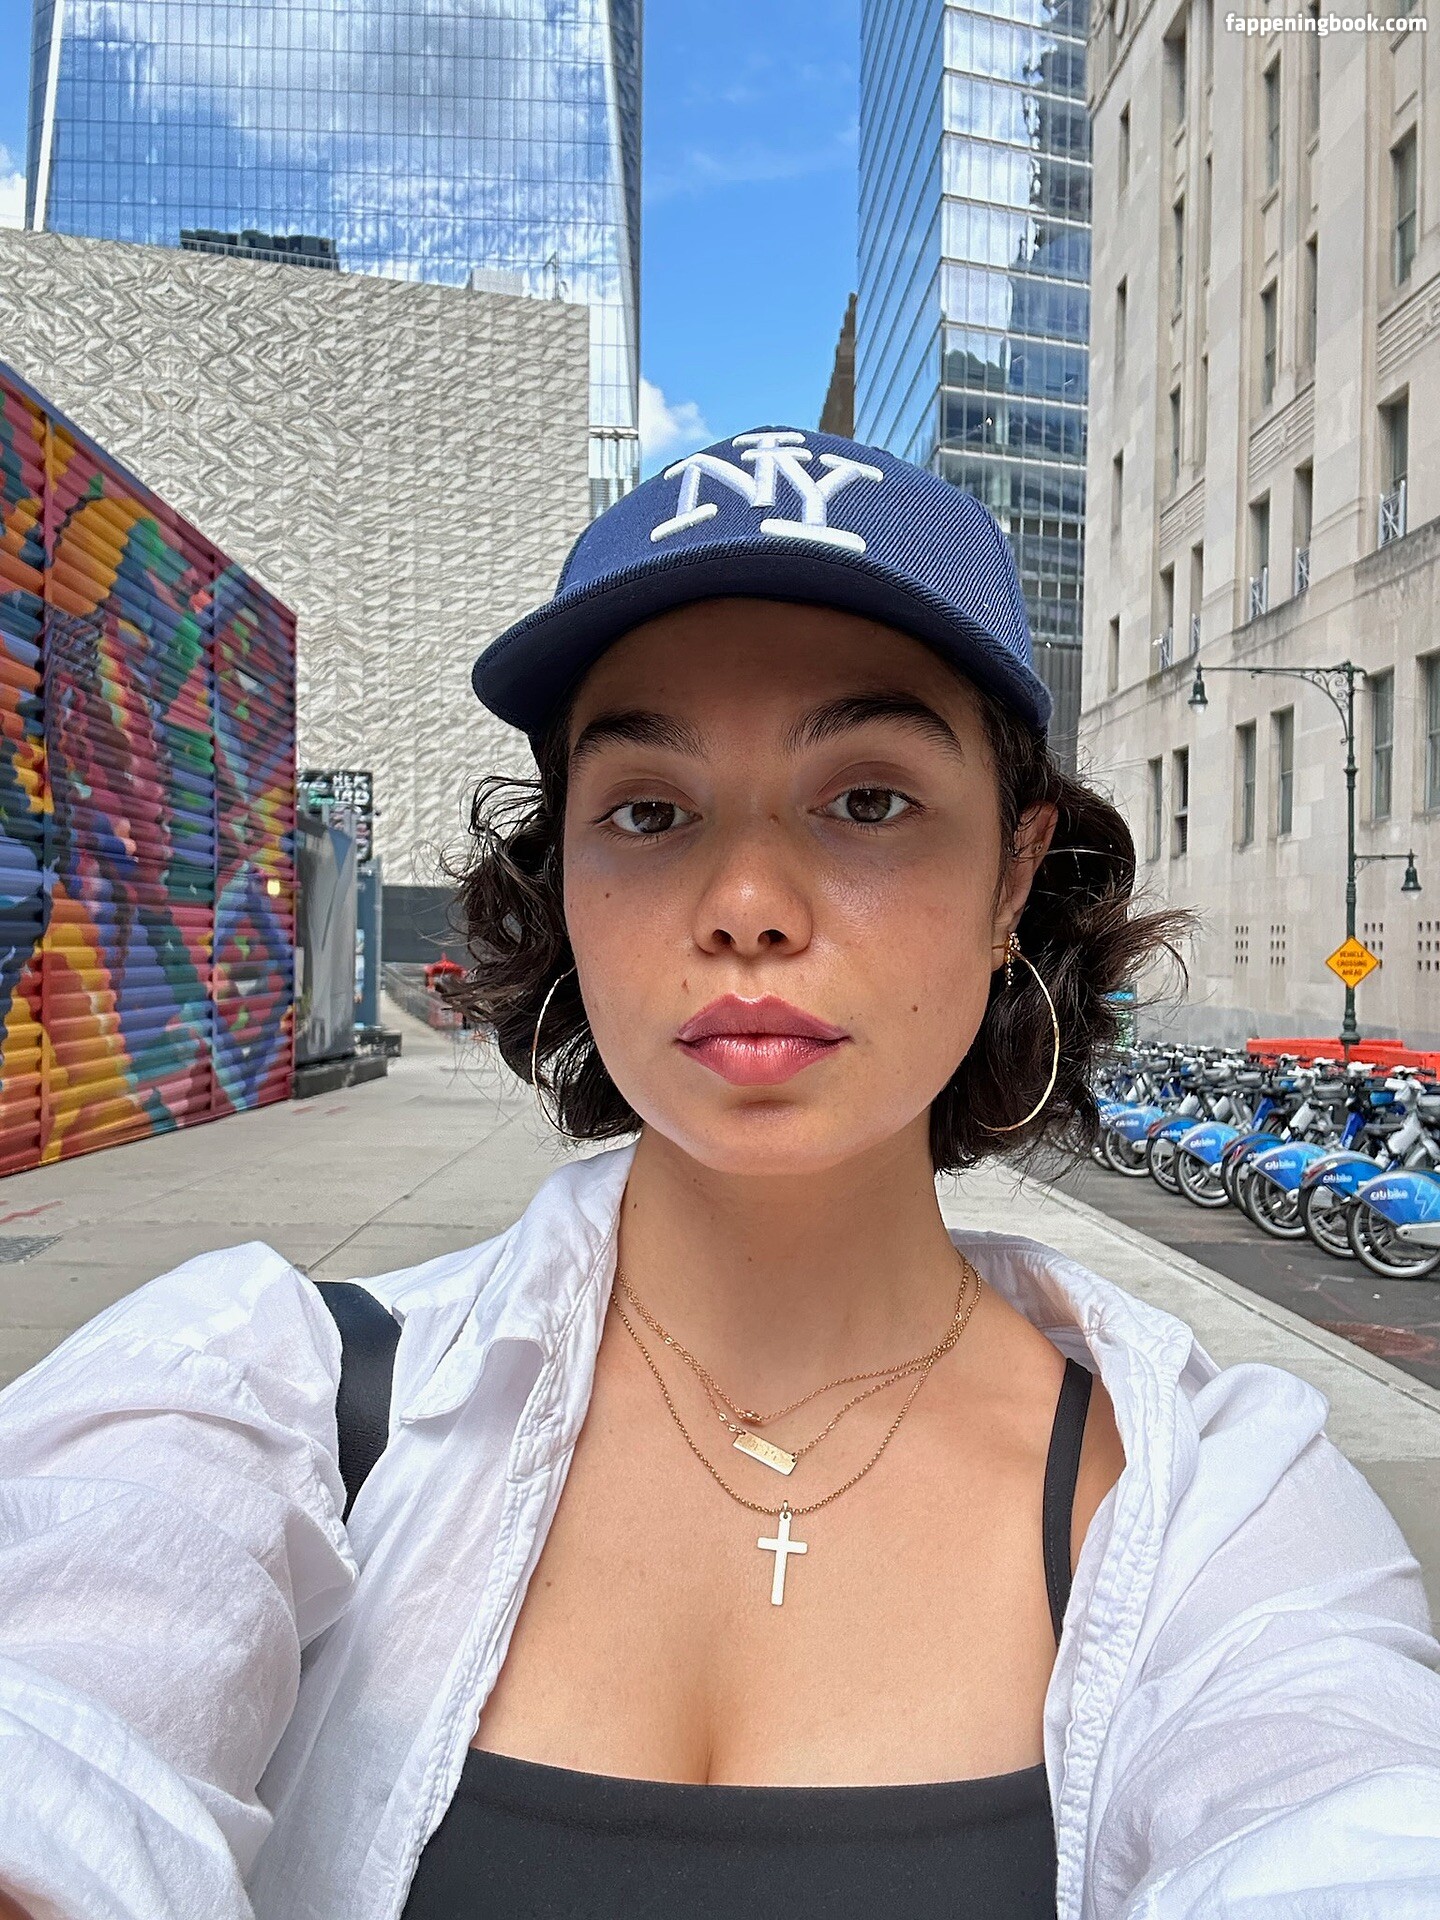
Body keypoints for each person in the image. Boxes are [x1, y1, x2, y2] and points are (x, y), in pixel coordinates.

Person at [0, 426, 1437, 1920]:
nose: (747, 903)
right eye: (649, 811)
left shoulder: (1218, 1502)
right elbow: (61, 1709)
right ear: (566, 874)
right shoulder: (262, 1395)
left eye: (867, 799)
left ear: (1013, 871)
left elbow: (1345, 1813)